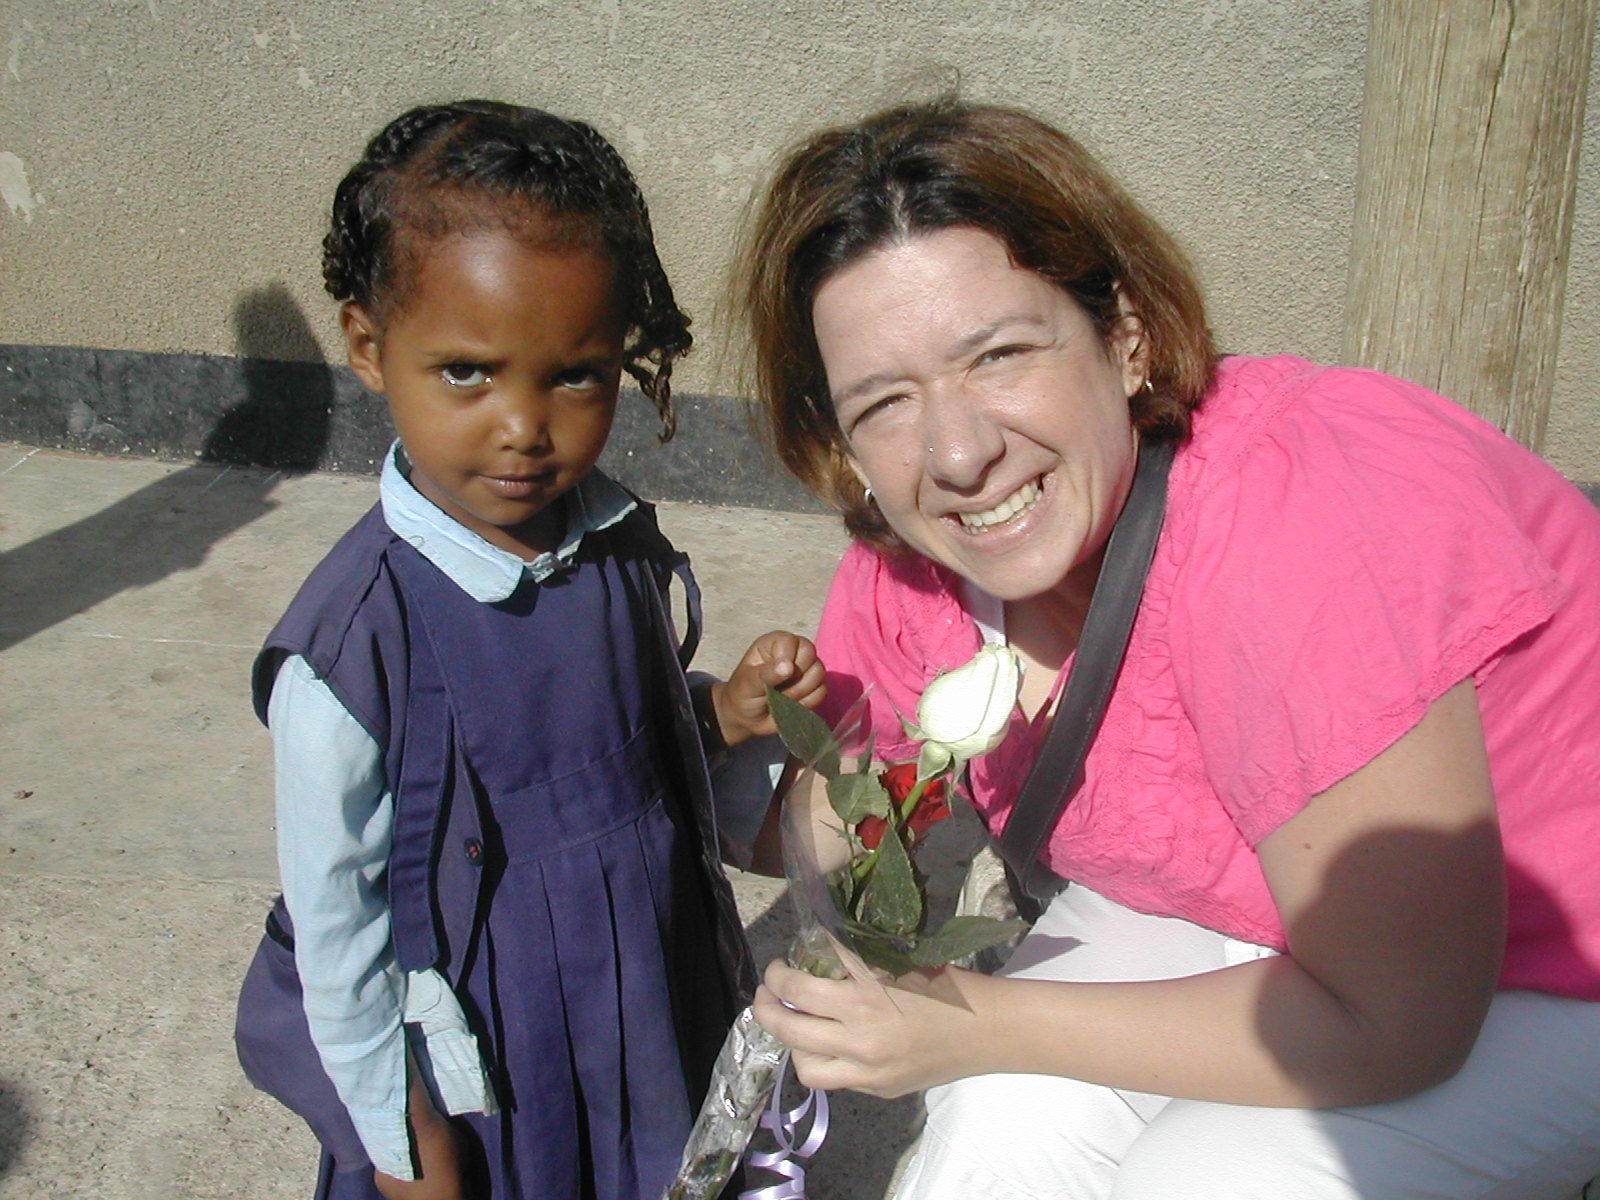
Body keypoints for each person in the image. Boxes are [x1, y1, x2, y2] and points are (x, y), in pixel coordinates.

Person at [740, 97, 1600, 1199]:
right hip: (1252, 912)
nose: (955, 454)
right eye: (884, 403)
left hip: (1537, 970)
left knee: (1210, 1178)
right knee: (995, 1129)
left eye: (999, 354)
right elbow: (836, 814)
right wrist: (776, 808)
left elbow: (1398, 1024)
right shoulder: (913, 569)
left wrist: (975, 1021)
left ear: (1126, 335)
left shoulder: (1297, 520)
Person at [233, 100, 825, 1200]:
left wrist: (717, 716)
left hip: (648, 1000)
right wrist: (401, 1137)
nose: (522, 425)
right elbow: (336, 933)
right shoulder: (349, 655)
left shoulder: (613, 544)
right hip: (503, 1069)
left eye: (575, 375)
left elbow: (607, 749)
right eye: (467, 371)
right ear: (367, 347)